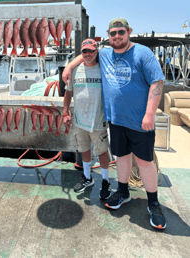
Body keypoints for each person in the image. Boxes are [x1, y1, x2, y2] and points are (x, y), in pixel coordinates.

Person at [62, 18, 166, 229]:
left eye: (121, 32)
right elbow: (85, 55)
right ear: (108, 36)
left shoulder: (143, 53)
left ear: (129, 31)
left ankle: (153, 202)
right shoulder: (106, 53)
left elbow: (157, 81)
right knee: (121, 158)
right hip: (116, 121)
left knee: (145, 162)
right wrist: (69, 66)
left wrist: (150, 114)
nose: (117, 36)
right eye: (113, 33)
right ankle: (123, 192)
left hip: (140, 122)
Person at [63, 39, 111, 199]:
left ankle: (105, 181)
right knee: (84, 149)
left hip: (98, 120)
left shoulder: (103, 68)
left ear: (96, 51)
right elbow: (68, 93)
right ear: (81, 53)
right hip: (79, 120)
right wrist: (65, 113)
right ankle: (87, 177)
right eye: (85, 51)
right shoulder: (75, 70)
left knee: (103, 151)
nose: (88, 54)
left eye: (91, 50)